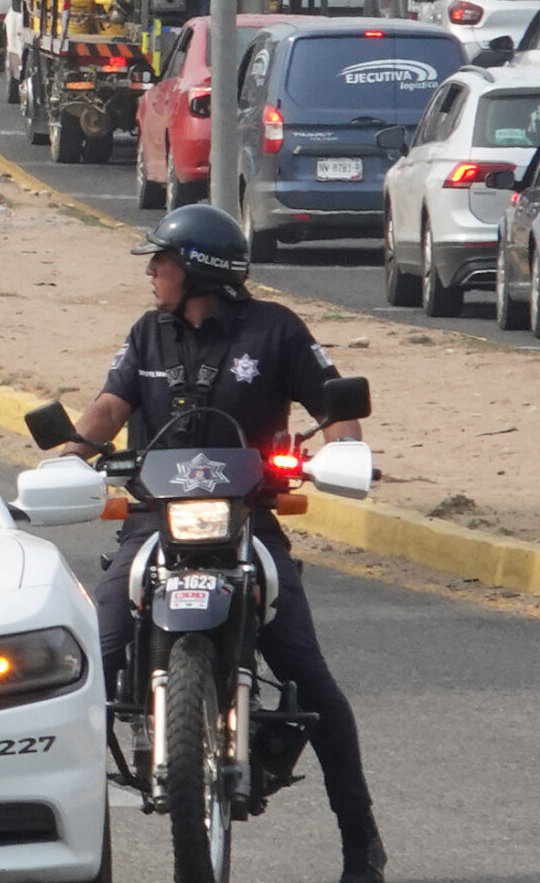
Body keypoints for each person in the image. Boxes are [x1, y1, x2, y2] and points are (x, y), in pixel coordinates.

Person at [60, 206, 384, 883]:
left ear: (200, 270)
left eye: (164, 261)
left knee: (311, 677)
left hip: (248, 518)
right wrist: (68, 456)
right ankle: (63, 840)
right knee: (92, 662)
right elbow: (108, 408)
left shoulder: (277, 330)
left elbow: (335, 407)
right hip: (155, 519)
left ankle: (362, 839)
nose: (152, 271)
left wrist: (344, 451)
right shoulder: (148, 332)